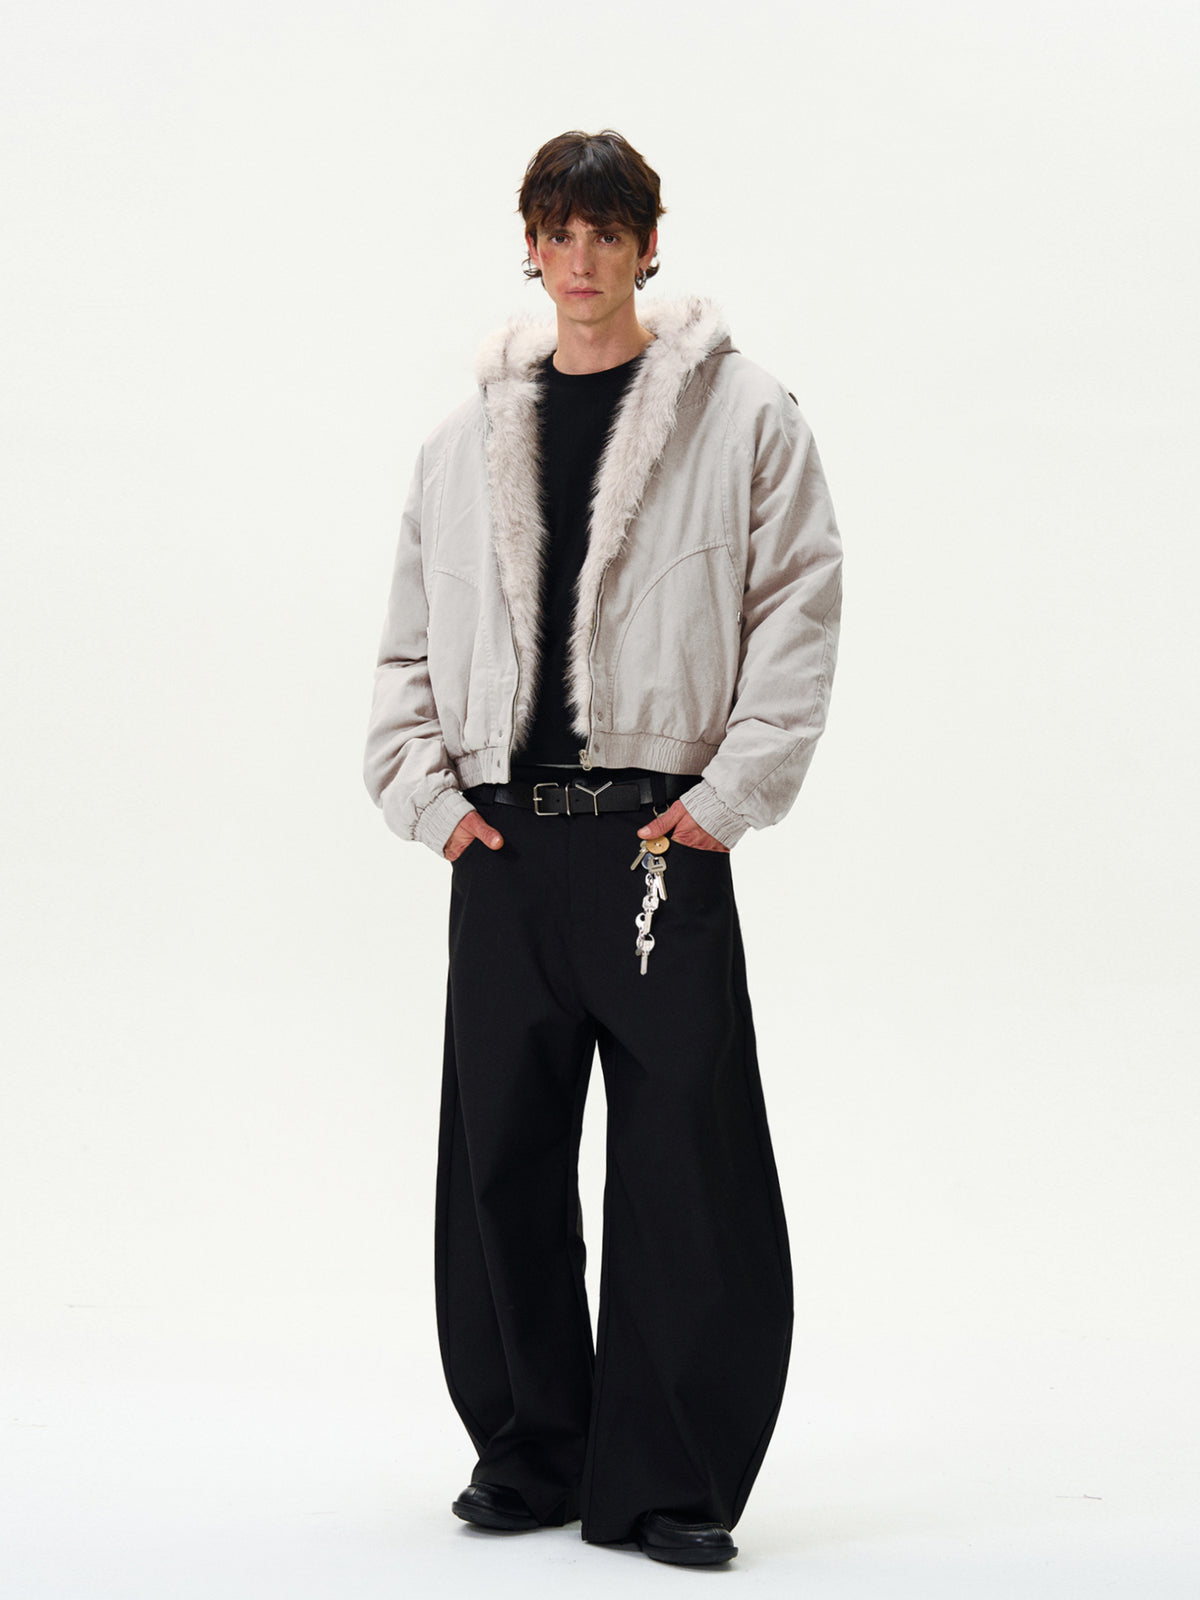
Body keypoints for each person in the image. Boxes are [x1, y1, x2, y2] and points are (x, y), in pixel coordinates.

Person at [363, 128, 843, 1567]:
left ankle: (669, 1478)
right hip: (505, 847)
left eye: (607, 233)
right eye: (558, 233)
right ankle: (533, 1448)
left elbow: (799, 607)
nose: (581, 260)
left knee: (687, 1161)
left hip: (658, 839)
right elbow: (404, 650)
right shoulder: (461, 444)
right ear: (530, 246)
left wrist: (730, 795)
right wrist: (435, 806)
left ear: (648, 244)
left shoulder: (746, 415)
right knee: (499, 1159)